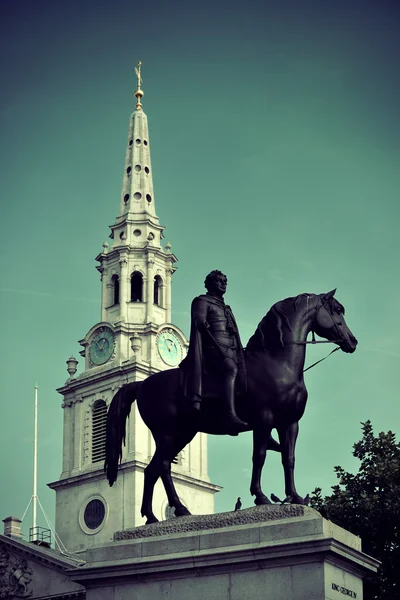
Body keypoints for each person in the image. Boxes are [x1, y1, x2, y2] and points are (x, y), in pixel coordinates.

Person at [180, 270, 248, 435]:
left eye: (225, 281)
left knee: (252, 375)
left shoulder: (225, 307)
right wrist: (201, 322)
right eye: (219, 281)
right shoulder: (202, 301)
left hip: (230, 350)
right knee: (231, 369)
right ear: (210, 284)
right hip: (212, 351)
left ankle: (259, 425)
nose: (223, 283)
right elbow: (200, 323)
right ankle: (230, 416)